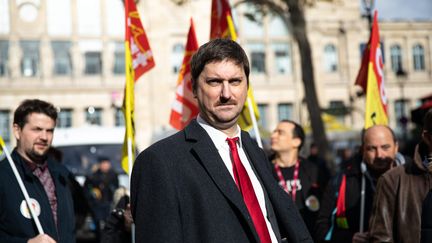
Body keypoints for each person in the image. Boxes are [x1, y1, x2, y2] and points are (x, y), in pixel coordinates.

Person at [131, 38, 312, 243]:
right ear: (194, 89)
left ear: (246, 86)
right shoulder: (159, 162)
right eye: (215, 82)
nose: (227, 94)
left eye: (235, 81)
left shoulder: (254, 150)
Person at [0, 99, 75, 243]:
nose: (44, 137)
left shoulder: (62, 174)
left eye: (49, 131)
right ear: (17, 130)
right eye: (37, 129)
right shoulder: (4, 175)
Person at [315, 125, 406, 243]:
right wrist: (349, 238)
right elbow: (321, 228)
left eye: (385, 147)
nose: (379, 155)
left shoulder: (415, 176)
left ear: (396, 147)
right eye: (372, 149)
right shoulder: (343, 179)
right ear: (363, 150)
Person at [368, 109, 432, 243]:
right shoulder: (392, 180)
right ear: (428, 138)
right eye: (372, 148)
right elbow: (381, 237)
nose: (379, 154)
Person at [269, 120, 324, 239]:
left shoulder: (313, 170)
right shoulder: (264, 169)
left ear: (296, 141)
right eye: (274, 132)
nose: (273, 135)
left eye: (280, 132)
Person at [84, 156, 119, 238]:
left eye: (107, 163)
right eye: (104, 163)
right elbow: (87, 189)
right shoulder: (93, 176)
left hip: (109, 205)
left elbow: (115, 189)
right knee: (99, 229)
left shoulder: (113, 175)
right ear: (100, 164)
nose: (106, 165)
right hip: (97, 206)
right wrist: (92, 193)